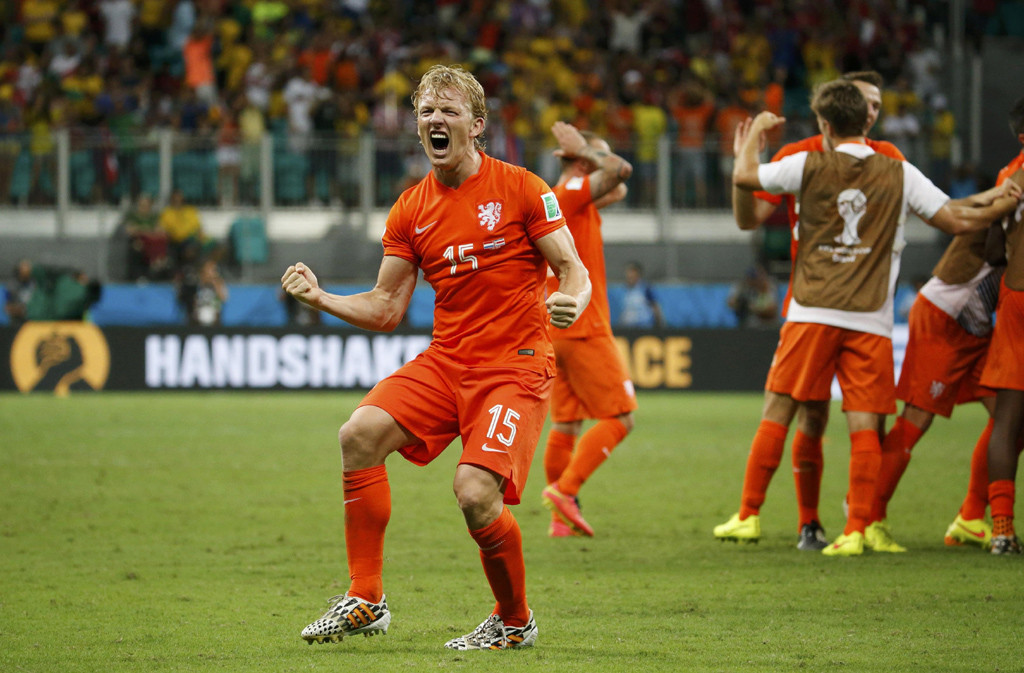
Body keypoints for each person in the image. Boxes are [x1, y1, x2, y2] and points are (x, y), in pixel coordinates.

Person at [281, 65, 591, 649]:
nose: (434, 120)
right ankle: (365, 600)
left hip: (515, 364)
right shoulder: (409, 210)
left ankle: (514, 620)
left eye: (448, 110)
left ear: (477, 125)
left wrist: (570, 300)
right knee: (359, 435)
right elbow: (385, 308)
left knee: (476, 493)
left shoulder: (523, 188)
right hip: (448, 361)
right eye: (425, 111)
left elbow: (572, 268)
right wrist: (320, 297)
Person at [732, 80, 1019, 556]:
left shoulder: (805, 162)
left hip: (811, 310)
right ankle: (858, 529)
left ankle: (749, 514)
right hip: (870, 318)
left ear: (824, 123)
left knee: (782, 407)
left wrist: (751, 140)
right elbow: (955, 219)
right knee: (865, 425)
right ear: (867, 118)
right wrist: (1006, 199)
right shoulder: (898, 170)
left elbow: (745, 181)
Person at [715, 72, 907, 551]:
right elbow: (747, 219)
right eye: (865, 103)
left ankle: (863, 519)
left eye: (878, 105)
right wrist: (748, 166)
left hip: (867, 311)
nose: (871, 113)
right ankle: (809, 523)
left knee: (867, 420)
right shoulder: (798, 156)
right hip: (811, 307)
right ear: (840, 109)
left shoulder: (891, 160)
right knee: (812, 416)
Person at [868, 177, 1021, 552]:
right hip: (945, 317)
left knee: (1011, 420)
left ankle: (970, 516)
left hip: (976, 327)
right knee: (917, 418)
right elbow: (995, 252)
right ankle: (867, 515)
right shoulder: (1011, 184)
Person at [539, 121, 635, 538]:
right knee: (622, 418)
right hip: (583, 324)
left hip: (552, 328)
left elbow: (616, 188)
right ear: (581, 164)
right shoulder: (573, 195)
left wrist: (585, 157)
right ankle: (566, 490)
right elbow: (620, 172)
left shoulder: (551, 201)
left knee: (565, 425)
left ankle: (561, 523)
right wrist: (587, 153)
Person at [979, 98, 1024, 555]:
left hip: (1015, 299)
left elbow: (992, 250)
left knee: (1008, 420)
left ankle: (1002, 532)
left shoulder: (1006, 176)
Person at [122, 193, 170, 281]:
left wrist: (142, 231)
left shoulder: (154, 217)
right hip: (138, 241)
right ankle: (138, 277)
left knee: (163, 246)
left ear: (150, 206)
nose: (143, 207)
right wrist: (148, 231)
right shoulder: (132, 216)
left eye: (145, 205)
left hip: (152, 242)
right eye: (141, 205)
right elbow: (130, 230)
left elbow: (160, 230)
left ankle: (158, 275)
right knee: (137, 247)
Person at [727, 264, 779, 328]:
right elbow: (731, 303)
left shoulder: (768, 286)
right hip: (746, 324)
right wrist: (742, 304)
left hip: (766, 325)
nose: (753, 282)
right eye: (751, 279)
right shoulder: (742, 287)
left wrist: (753, 308)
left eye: (755, 279)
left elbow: (772, 311)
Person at [618, 261, 663, 328]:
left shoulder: (645, 289)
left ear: (638, 275)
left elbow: (655, 306)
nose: (629, 276)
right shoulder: (624, 290)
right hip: (629, 327)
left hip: (644, 327)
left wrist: (659, 324)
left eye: (632, 274)